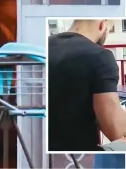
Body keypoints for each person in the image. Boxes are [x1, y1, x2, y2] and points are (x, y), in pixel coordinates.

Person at [48, 19, 126, 152]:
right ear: (103, 24)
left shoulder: (43, 46)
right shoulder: (100, 56)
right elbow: (117, 131)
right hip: (79, 158)